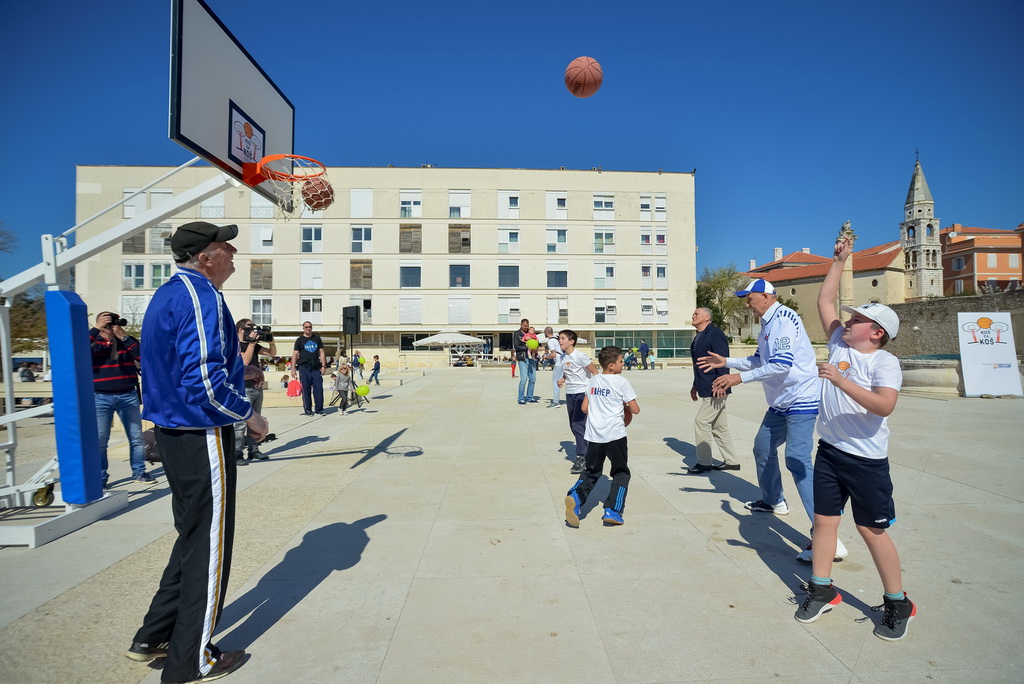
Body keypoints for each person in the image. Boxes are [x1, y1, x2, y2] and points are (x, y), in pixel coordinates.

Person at [127, 221, 267, 683]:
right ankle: (194, 658)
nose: (234, 255)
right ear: (206, 257)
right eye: (226, 248)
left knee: (192, 535)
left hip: (173, 431)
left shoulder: (167, 294)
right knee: (210, 543)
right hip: (200, 430)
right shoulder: (201, 295)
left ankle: (155, 633)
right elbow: (204, 379)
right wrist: (249, 415)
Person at [794, 236, 915, 640]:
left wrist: (841, 380)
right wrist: (839, 261)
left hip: (865, 461)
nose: (847, 321)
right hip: (829, 452)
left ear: (876, 332)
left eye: (857, 319)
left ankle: (898, 602)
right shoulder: (837, 343)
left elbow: (884, 406)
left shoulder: (885, 362)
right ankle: (824, 589)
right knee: (824, 525)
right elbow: (824, 303)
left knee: (871, 530)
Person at [698, 278, 848, 561]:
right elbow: (759, 360)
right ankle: (773, 499)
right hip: (780, 403)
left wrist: (738, 378)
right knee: (762, 448)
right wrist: (726, 362)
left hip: (802, 399)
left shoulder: (784, 319)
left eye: (750, 298)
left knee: (797, 459)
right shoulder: (767, 323)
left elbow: (781, 364)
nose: (747, 303)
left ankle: (826, 534)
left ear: (767, 297)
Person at [564, 346, 640, 527]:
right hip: (615, 435)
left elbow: (584, 408)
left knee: (591, 471)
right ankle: (613, 510)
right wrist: (625, 406)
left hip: (594, 435)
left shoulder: (593, 380)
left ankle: (575, 496)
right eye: (621, 361)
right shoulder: (621, 382)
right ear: (612, 366)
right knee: (621, 473)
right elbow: (635, 409)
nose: (623, 364)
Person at [89, 311, 151, 485]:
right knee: (100, 440)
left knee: (136, 437)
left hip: (127, 394)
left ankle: (139, 472)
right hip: (100, 396)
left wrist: (124, 337)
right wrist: (96, 329)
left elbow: (142, 357)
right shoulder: (94, 341)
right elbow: (79, 351)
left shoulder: (126, 341)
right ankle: (101, 477)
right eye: (108, 323)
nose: (112, 326)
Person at [687, 307, 740, 474]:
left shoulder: (715, 334)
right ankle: (732, 461)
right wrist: (695, 385)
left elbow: (723, 359)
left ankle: (704, 462)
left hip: (716, 387)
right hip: (705, 386)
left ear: (707, 317)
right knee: (719, 427)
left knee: (701, 422)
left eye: (696, 314)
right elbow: (699, 364)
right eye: (693, 313)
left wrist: (722, 383)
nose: (693, 315)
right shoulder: (698, 336)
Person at [234, 318, 276, 463]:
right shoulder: (234, 345)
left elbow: (272, 354)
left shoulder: (254, 345)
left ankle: (254, 450)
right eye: (249, 327)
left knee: (256, 420)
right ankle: (237, 452)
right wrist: (251, 344)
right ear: (241, 329)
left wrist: (271, 342)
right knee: (240, 422)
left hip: (256, 387)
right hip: (242, 388)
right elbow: (244, 362)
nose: (253, 329)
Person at [557, 329, 598, 473]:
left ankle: (582, 456)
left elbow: (595, 372)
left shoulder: (580, 356)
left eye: (562, 338)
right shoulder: (563, 358)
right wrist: (562, 379)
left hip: (582, 393)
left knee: (578, 424)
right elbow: (569, 372)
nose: (560, 340)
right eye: (559, 338)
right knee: (573, 425)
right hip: (570, 394)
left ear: (571, 341)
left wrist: (591, 392)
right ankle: (590, 450)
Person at [292, 321, 327, 416]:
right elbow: (295, 354)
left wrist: (323, 365)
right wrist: (293, 369)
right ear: (303, 328)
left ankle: (319, 409)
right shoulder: (300, 340)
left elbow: (322, 352)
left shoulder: (317, 338)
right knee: (306, 390)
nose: (308, 328)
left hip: (315, 367)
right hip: (304, 367)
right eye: (306, 327)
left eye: (310, 327)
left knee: (318, 389)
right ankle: (308, 410)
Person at [513, 318, 537, 404]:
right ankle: (521, 398)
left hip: (532, 358)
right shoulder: (517, 334)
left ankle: (530, 397)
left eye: (527, 326)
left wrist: (535, 349)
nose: (526, 327)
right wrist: (528, 347)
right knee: (524, 379)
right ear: (521, 325)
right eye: (525, 326)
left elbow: (536, 343)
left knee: (533, 378)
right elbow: (517, 347)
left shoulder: (531, 332)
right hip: (522, 358)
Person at [544, 326, 563, 408]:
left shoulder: (551, 341)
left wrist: (546, 357)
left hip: (559, 363)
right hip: (564, 360)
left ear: (546, 332)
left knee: (555, 382)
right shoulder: (557, 338)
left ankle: (556, 402)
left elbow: (553, 354)